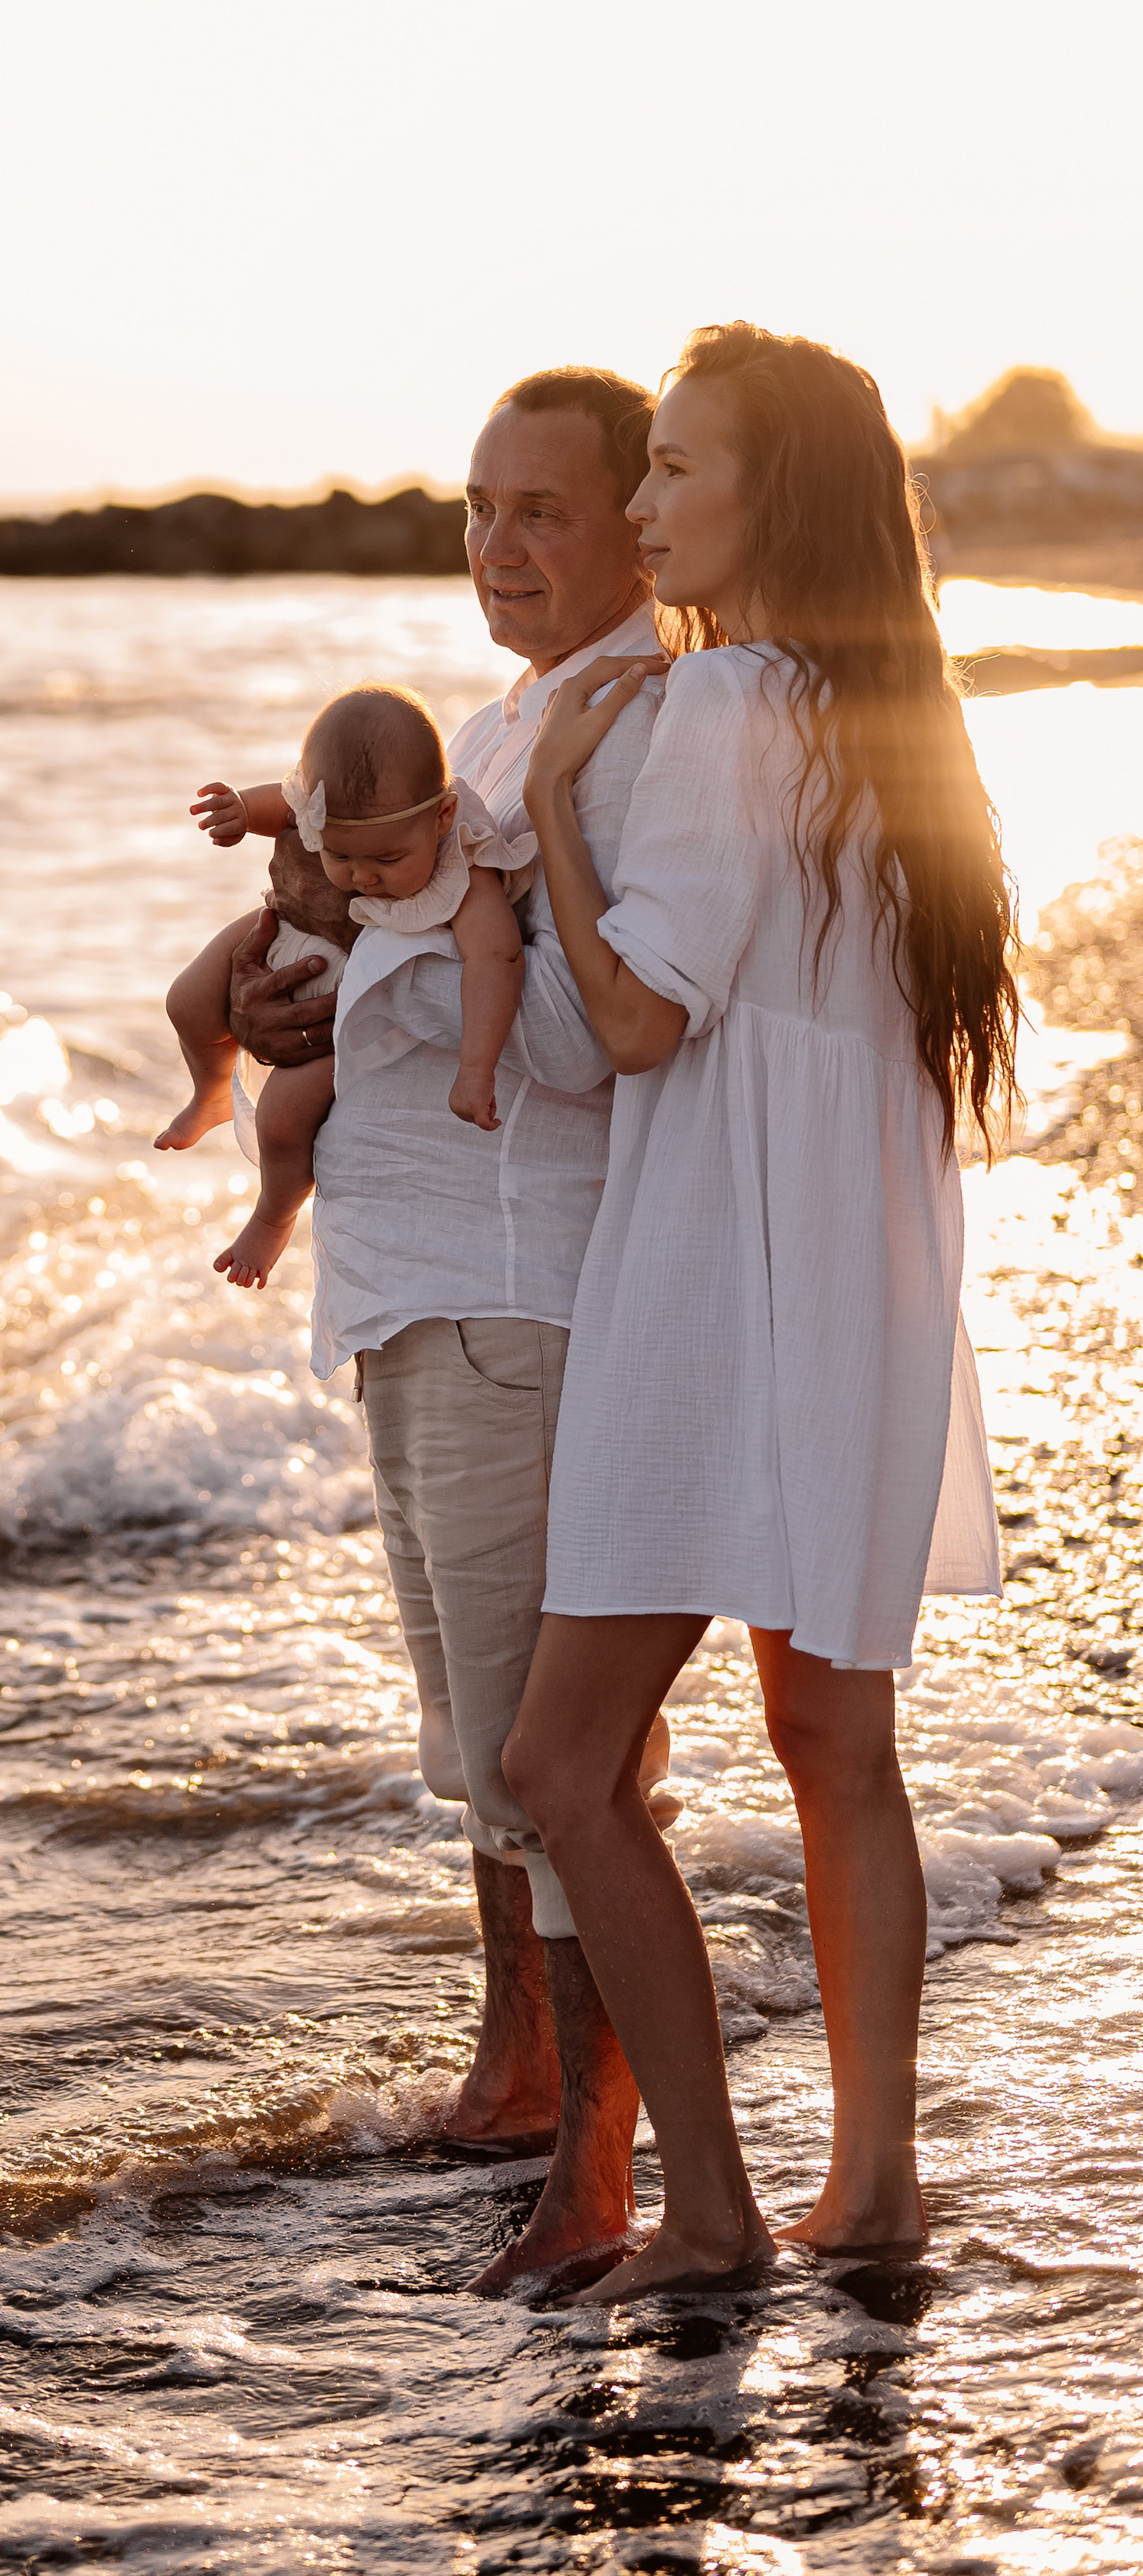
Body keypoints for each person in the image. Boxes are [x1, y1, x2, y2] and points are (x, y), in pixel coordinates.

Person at [503, 322, 1014, 2302]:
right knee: (831, 1739)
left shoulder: (719, 697)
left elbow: (634, 1020)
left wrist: (552, 792)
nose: (635, 507)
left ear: (768, 496)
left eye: (673, 471)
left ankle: (707, 2211)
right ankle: (866, 2184)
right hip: (862, 1268)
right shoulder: (898, 713)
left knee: (560, 1760)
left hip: (721, 1272)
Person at [226, 369, 674, 2293]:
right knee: (474, 1739)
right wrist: (301, 1002)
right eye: (475, 509)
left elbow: (600, 1036)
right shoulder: (504, 727)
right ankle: (512, 2066)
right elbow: (405, 956)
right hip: (408, 1300)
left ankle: (596, 2160)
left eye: (539, 511)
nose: (495, 545)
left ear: (633, 521)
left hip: (519, 1296)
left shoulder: (633, 732)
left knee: (555, 1754)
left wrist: (403, 983)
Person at [156, 683, 533, 1289]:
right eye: (339, 854)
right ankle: (210, 1091)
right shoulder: (320, 810)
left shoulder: (462, 861)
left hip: (347, 1012)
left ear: (440, 817)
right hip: (289, 923)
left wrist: (476, 1068)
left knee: (281, 1116)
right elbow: (281, 806)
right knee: (187, 1001)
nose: (362, 876)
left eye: (386, 857)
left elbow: (498, 959)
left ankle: (273, 1217)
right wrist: (241, 814)